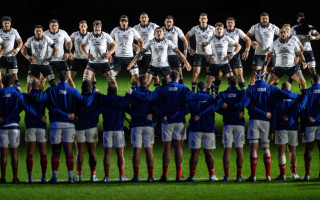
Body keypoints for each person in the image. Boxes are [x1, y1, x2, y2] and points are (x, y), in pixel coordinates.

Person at [127, 70, 213, 182]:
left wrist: (133, 92)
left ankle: (164, 175)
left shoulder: (161, 89)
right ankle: (179, 175)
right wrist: (211, 96)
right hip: (179, 121)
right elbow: (193, 97)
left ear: (168, 78)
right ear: (178, 78)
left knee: (167, 148)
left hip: (166, 121)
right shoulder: (184, 88)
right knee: (178, 147)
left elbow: (148, 97)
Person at [223, 69, 299, 182]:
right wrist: (299, 96)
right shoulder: (271, 88)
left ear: (255, 78)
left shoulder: (251, 89)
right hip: (266, 122)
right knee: (265, 148)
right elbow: (286, 93)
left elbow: (243, 105)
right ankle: (268, 176)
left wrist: (228, 107)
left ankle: (253, 176)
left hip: (254, 121)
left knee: (253, 149)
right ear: (264, 77)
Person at [31, 71, 97, 183]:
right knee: (69, 152)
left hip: (55, 124)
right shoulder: (73, 90)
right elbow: (85, 102)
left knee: (56, 151)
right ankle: (71, 178)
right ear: (67, 79)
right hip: (70, 125)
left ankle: (54, 177)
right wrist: (94, 92)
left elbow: (38, 99)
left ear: (57, 79)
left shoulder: (51, 90)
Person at [168, 81, 220, 182]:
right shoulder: (211, 99)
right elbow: (216, 107)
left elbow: (182, 112)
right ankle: (212, 175)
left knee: (194, 154)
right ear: (206, 89)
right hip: (209, 129)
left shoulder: (192, 100)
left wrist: (169, 118)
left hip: (195, 130)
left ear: (197, 89)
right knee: (209, 153)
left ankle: (191, 176)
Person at [0, 74, 41, 184]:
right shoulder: (17, 93)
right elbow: (26, 107)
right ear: (13, 82)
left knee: (3, 154)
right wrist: (38, 116)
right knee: (14, 154)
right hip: (14, 126)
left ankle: (3, 178)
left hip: (2, 127)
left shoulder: (1, 92)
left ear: (3, 82)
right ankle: (15, 178)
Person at [126, 74, 155, 182]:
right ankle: (150, 176)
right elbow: (156, 107)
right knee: (149, 151)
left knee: (136, 152)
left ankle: (136, 176)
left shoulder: (131, 94)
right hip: (148, 125)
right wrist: (151, 113)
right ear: (147, 82)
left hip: (136, 125)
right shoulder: (151, 94)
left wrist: (133, 113)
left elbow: (125, 106)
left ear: (137, 82)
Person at [269, 82, 301, 180]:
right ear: (290, 89)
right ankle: (294, 173)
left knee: (281, 153)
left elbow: (273, 117)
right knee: (292, 151)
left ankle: (282, 175)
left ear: (281, 89)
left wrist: (271, 131)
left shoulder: (276, 100)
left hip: (281, 128)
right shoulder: (296, 98)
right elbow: (299, 112)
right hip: (292, 128)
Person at [98, 85, 130, 182]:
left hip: (107, 130)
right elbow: (127, 107)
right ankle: (121, 176)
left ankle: (107, 177)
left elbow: (98, 109)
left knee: (107, 153)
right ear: (116, 91)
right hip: (119, 130)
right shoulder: (121, 100)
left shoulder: (104, 101)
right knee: (120, 154)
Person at [292, 74, 320, 181]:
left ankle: (307, 175)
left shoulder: (307, 92)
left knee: (309, 149)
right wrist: (317, 118)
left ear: (312, 81)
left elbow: (300, 108)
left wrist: (302, 125)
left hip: (309, 125)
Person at [218, 76, 245, 182]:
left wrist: (227, 109)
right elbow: (244, 104)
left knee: (227, 150)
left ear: (228, 83)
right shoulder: (241, 94)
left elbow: (217, 108)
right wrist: (236, 112)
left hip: (228, 124)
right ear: (237, 83)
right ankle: (239, 176)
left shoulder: (223, 94)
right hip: (239, 124)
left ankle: (227, 176)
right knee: (239, 150)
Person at [200, 22, 241, 94]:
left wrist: (232, 54)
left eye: (220, 29)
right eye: (217, 29)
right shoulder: (211, 38)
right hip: (214, 64)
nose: (219, 30)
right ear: (215, 30)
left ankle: (233, 97)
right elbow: (201, 45)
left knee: (233, 82)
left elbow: (239, 46)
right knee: (207, 84)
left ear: (223, 30)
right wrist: (206, 55)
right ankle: (206, 99)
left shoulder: (227, 38)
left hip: (225, 64)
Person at [23, 79, 48, 183]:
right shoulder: (44, 96)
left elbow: (26, 107)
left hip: (30, 126)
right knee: (43, 153)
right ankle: (43, 177)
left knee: (30, 154)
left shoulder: (25, 96)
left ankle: (30, 178)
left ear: (30, 85)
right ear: (39, 86)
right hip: (41, 126)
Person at [80, 20, 118, 88]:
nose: (97, 29)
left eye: (98, 27)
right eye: (96, 27)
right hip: (92, 62)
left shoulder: (105, 35)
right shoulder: (89, 36)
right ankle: (84, 97)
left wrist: (109, 53)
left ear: (101, 28)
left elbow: (114, 45)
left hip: (104, 62)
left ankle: (115, 97)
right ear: (93, 28)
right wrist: (86, 54)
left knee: (113, 81)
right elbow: (81, 45)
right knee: (85, 81)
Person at [110, 15, 144, 90]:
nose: (124, 23)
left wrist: (140, 53)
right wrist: (109, 55)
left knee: (136, 76)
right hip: (117, 57)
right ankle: (114, 94)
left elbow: (141, 41)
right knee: (111, 77)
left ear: (128, 22)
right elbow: (108, 41)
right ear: (120, 22)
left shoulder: (132, 30)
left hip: (130, 57)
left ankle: (133, 90)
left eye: (125, 21)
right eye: (122, 21)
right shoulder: (115, 30)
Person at [21, 25, 57, 92]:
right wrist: (29, 58)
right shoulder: (30, 39)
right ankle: (28, 100)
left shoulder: (46, 39)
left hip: (45, 65)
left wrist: (51, 57)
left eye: (40, 31)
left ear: (42, 32)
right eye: (37, 31)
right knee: (29, 84)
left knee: (53, 83)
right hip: (34, 65)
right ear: (34, 32)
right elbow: (23, 50)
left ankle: (55, 99)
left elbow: (56, 48)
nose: (38, 32)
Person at [246, 13, 280, 86]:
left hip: (270, 54)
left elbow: (283, 35)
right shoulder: (255, 27)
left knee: (272, 74)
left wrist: (276, 45)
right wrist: (251, 42)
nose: (265, 20)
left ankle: (271, 91)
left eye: (266, 19)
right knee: (256, 72)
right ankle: (250, 92)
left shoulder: (273, 27)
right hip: (259, 54)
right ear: (260, 19)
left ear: (268, 19)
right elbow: (246, 36)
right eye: (263, 18)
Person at [185, 13, 215, 92]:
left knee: (211, 74)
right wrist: (189, 48)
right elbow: (186, 37)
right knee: (195, 74)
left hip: (209, 55)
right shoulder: (195, 28)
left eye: (205, 18)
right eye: (202, 18)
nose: (203, 20)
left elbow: (218, 38)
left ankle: (210, 92)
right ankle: (192, 91)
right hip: (198, 54)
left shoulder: (212, 28)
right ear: (199, 20)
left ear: (207, 20)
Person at [43, 19, 75, 88]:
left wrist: (68, 52)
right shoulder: (44, 34)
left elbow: (69, 42)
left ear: (58, 26)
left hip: (61, 59)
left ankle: (74, 95)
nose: (54, 27)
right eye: (52, 26)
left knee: (68, 78)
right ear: (49, 26)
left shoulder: (63, 32)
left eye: (55, 26)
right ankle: (38, 96)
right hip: (49, 60)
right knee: (42, 79)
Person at [224, 17, 251, 91]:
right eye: (228, 22)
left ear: (234, 24)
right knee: (225, 76)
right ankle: (230, 92)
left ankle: (243, 92)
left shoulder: (238, 31)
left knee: (239, 75)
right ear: (226, 24)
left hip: (235, 55)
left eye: (231, 22)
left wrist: (247, 50)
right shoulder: (222, 31)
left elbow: (248, 39)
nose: (230, 24)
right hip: (224, 55)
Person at [133, 12, 159, 87]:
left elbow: (161, 33)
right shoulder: (135, 27)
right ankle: (135, 90)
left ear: (148, 19)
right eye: (142, 17)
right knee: (135, 73)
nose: (144, 19)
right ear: (139, 19)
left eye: (145, 17)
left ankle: (157, 90)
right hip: (139, 53)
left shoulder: (153, 26)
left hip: (150, 53)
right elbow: (129, 38)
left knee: (153, 72)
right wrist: (133, 44)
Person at [70, 20, 96, 88]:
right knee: (69, 77)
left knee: (92, 76)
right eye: (82, 26)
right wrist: (69, 52)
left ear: (87, 27)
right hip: (76, 58)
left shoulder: (90, 35)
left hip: (86, 59)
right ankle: (73, 91)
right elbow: (68, 42)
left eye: (84, 26)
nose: (83, 28)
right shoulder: (75, 34)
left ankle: (93, 92)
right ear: (79, 27)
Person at [162, 15, 188, 85]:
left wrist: (185, 53)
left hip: (175, 55)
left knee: (179, 74)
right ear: (165, 22)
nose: (168, 23)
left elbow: (185, 40)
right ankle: (164, 93)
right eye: (167, 22)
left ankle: (181, 91)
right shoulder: (161, 30)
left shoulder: (177, 29)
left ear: (173, 22)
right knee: (165, 76)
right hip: (165, 56)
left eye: (170, 22)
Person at [0, 16, 23, 88]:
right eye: (5, 23)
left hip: (12, 57)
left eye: (8, 23)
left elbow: (20, 42)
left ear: (10, 24)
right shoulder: (0, 32)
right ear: (2, 23)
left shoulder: (14, 31)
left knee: (14, 75)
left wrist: (17, 49)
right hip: (2, 57)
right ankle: (3, 92)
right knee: (2, 75)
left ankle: (17, 89)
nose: (6, 24)